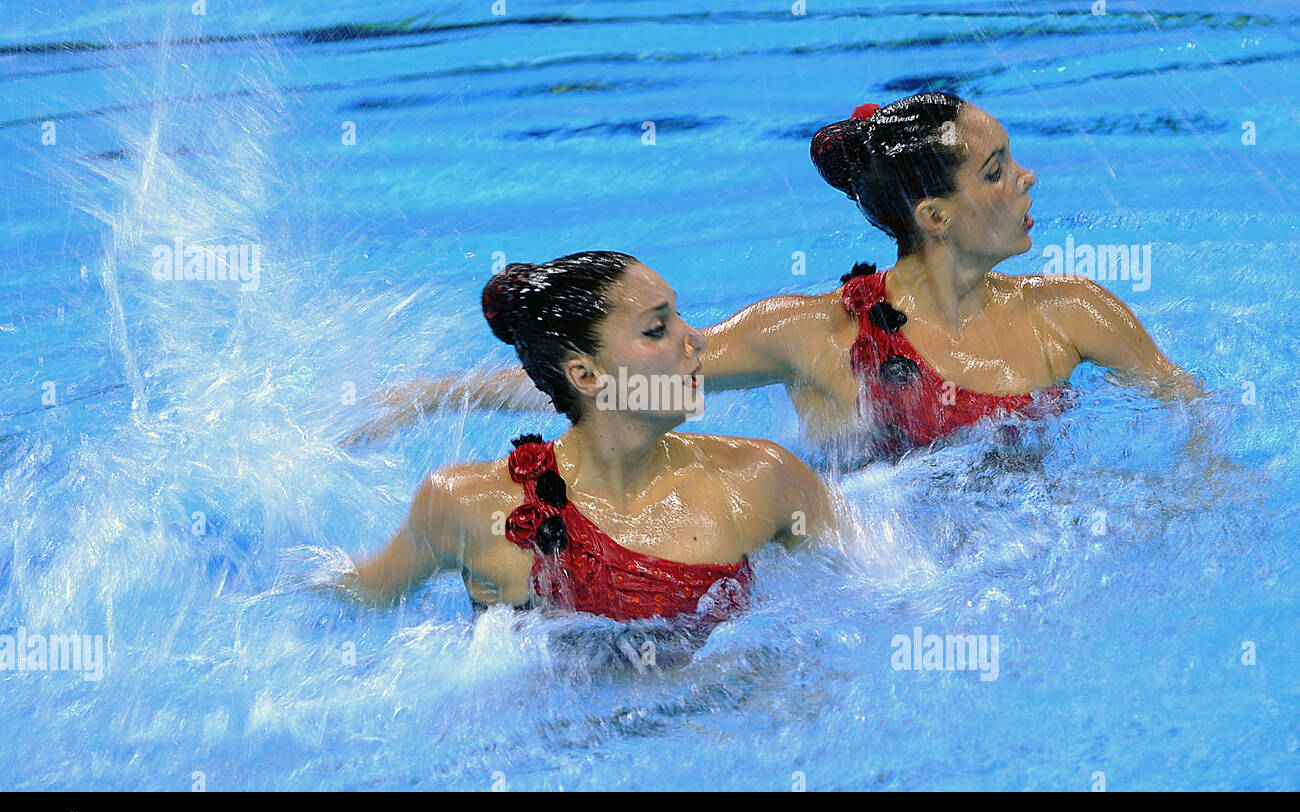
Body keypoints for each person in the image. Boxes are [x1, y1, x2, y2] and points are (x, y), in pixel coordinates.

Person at [342, 93, 1202, 458]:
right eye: (996, 169)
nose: (1028, 180)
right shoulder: (814, 334)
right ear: (934, 217)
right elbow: (626, 386)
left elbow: (1191, 409)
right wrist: (434, 395)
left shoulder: (1075, 312)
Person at [334, 251, 833, 624]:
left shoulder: (762, 480)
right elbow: (367, 593)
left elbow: (869, 599)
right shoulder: (467, 506)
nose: (696, 337)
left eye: (679, 315)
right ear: (586, 375)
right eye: (658, 328)